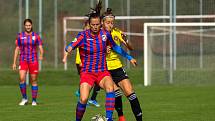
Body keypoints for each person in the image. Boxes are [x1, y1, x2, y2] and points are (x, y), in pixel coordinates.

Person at [64, 3, 136, 121]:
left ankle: (108, 119)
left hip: (102, 72)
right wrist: (69, 48)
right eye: (93, 25)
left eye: (98, 24)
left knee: (110, 88)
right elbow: (71, 45)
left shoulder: (105, 34)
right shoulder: (83, 36)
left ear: (100, 24)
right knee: (83, 99)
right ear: (89, 24)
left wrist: (129, 57)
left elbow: (116, 47)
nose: (96, 27)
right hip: (87, 72)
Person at [102, 8, 143, 121]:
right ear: (102, 22)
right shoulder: (98, 35)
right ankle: (121, 117)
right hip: (104, 69)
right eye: (108, 22)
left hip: (117, 67)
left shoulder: (117, 32)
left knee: (131, 92)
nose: (110, 25)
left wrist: (127, 43)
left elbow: (128, 48)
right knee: (116, 92)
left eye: (112, 22)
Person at [12, 18, 44, 106]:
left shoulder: (36, 36)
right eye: (26, 25)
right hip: (23, 60)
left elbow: (41, 48)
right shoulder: (20, 36)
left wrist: (41, 55)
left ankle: (34, 100)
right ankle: (24, 98)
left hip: (33, 60)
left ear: (31, 25)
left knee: (33, 80)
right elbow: (17, 49)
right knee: (22, 78)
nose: (28, 27)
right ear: (24, 26)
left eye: (29, 25)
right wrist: (14, 62)